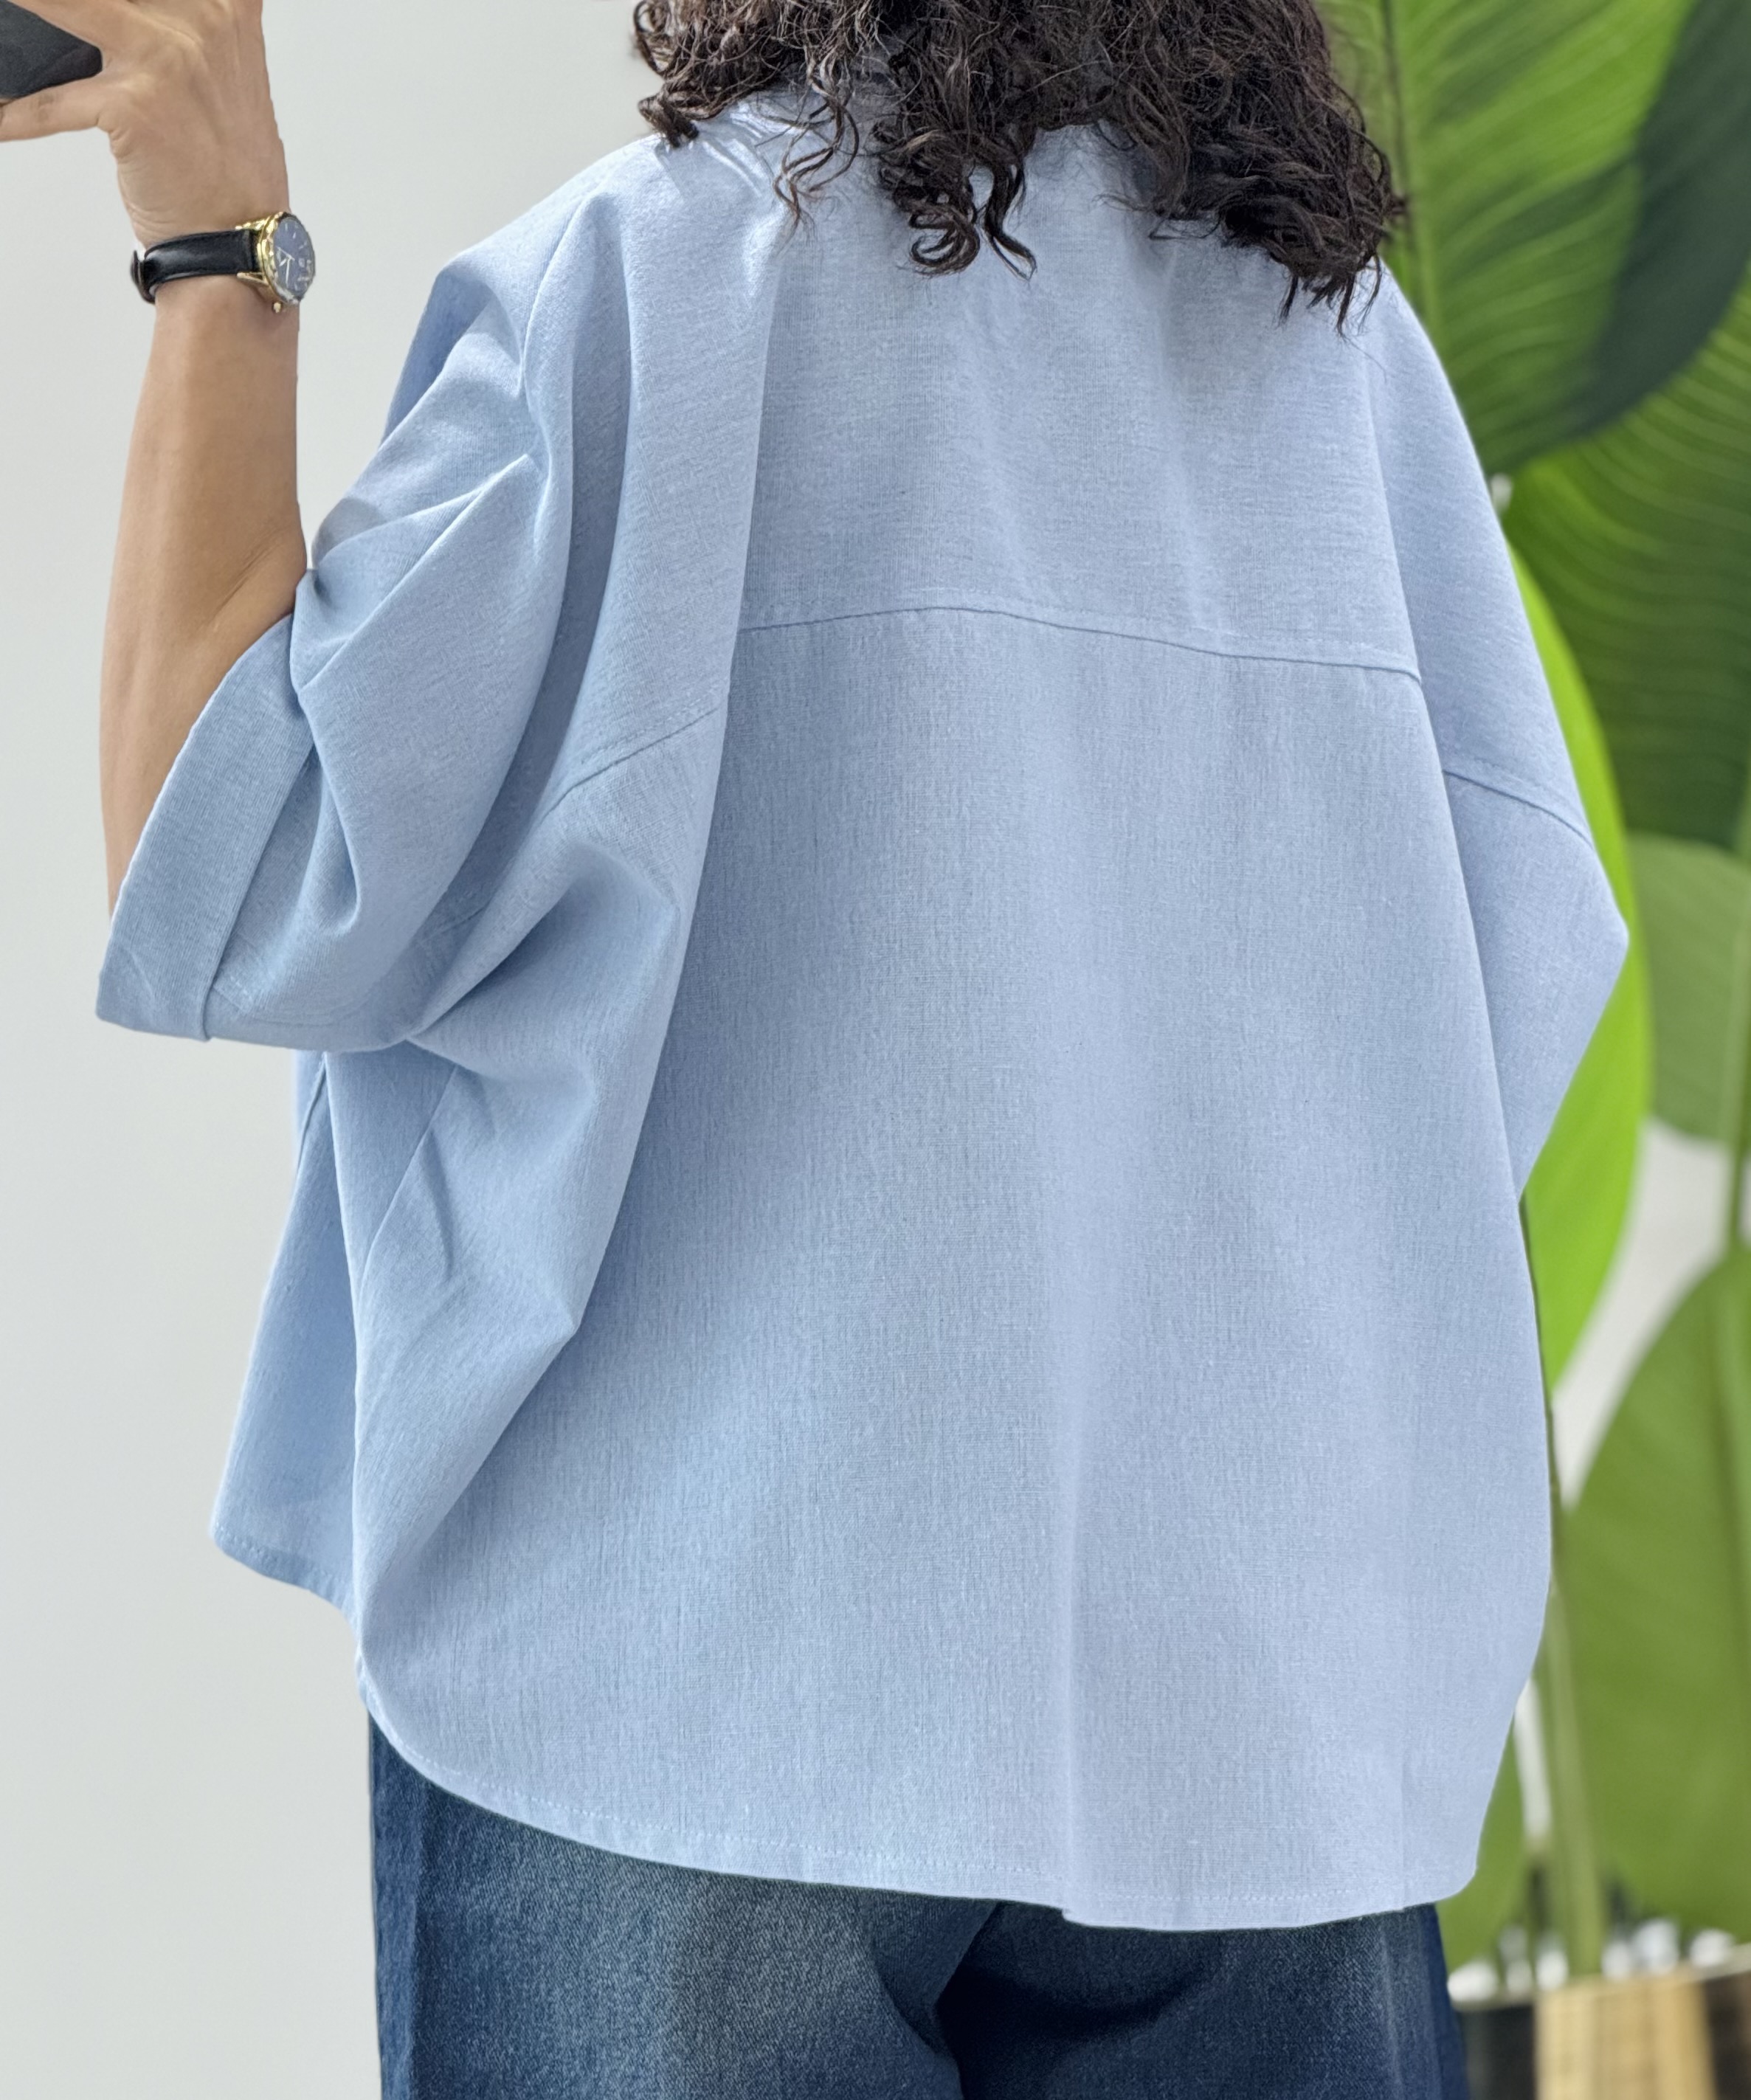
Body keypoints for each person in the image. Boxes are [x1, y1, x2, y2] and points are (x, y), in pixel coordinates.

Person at [1, 0, 1628, 2091]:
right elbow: (1509, 987)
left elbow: (230, 877)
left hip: (684, 1683)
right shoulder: (1347, 368)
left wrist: (221, 244)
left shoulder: (658, 287)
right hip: (1253, 1738)